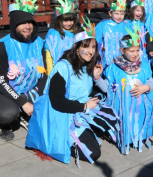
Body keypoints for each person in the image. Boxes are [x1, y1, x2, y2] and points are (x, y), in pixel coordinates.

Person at [26, 19, 118, 165]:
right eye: (86, 46)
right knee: (93, 153)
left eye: (93, 47)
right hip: (62, 115)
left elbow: (84, 90)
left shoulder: (86, 65)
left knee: (113, 118)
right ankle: (67, 142)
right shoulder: (62, 68)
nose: (90, 51)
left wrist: (95, 77)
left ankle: (88, 131)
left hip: (79, 108)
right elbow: (57, 102)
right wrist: (85, 107)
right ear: (76, 47)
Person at [0, 0, 46, 141]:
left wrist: (38, 96)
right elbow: (0, 82)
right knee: (7, 113)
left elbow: (45, 72)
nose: (27, 27)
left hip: (30, 90)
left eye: (30, 23)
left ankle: (24, 111)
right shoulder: (1, 46)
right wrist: (24, 103)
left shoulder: (39, 42)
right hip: (4, 92)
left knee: (53, 102)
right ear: (14, 24)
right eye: (22, 23)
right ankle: (6, 123)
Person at [103, 26, 153, 154]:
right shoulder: (114, 67)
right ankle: (125, 138)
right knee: (126, 122)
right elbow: (106, 86)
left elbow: (151, 82)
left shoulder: (143, 65)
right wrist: (97, 78)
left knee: (140, 119)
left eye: (137, 50)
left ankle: (141, 136)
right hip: (123, 106)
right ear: (122, 50)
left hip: (141, 105)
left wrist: (147, 87)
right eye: (131, 51)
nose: (135, 54)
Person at [95, 0, 131, 69]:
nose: (119, 16)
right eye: (116, 13)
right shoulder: (103, 25)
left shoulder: (126, 25)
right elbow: (97, 42)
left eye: (122, 14)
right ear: (110, 13)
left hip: (123, 59)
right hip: (106, 59)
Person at [44, 0, 77, 75]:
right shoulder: (53, 34)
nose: (69, 23)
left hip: (72, 72)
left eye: (71, 20)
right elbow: (48, 56)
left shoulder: (75, 35)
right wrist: (50, 73)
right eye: (65, 21)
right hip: (56, 71)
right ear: (59, 21)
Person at [128, 0, 151, 64]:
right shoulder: (127, 23)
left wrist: (150, 49)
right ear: (132, 11)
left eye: (141, 11)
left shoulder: (143, 25)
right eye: (137, 10)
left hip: (143, 54)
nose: (140, 13)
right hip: (131, 53)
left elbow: (148, 38)